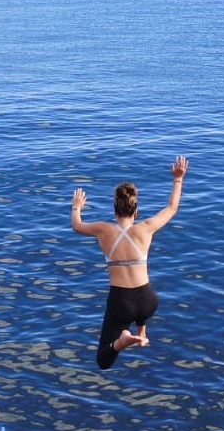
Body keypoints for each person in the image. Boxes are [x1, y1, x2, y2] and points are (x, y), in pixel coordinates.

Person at [71, 156, 188, 369]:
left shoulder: (103, 230)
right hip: (148, 301)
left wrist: (77, 206)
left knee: (103, 359)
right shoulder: (146, 228)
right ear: (136, 212)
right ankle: (141, 333)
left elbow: (77, 226)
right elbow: (171, 208)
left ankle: (121, 341)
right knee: (140, 311)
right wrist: (178, 179)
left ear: (114, 211)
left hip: (121, 302)